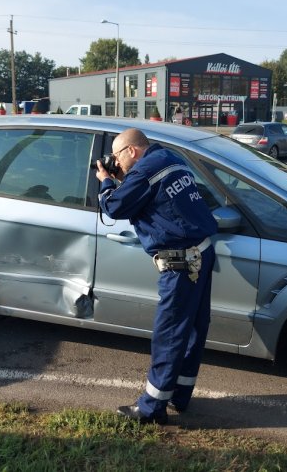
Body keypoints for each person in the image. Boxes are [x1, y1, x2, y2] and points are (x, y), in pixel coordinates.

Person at [95, 128, 217, 425]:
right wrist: (124, 179)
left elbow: (114, 206)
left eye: (117, 156)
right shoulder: (170, 157)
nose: (116, 162)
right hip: (202, 253)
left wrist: (106, 181)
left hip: (180, 263)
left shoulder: (145, 170)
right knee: (192, 329)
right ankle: (179, 394)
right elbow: (156, 197)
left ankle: (151, 409)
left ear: (131, 151)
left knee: (170, 333)